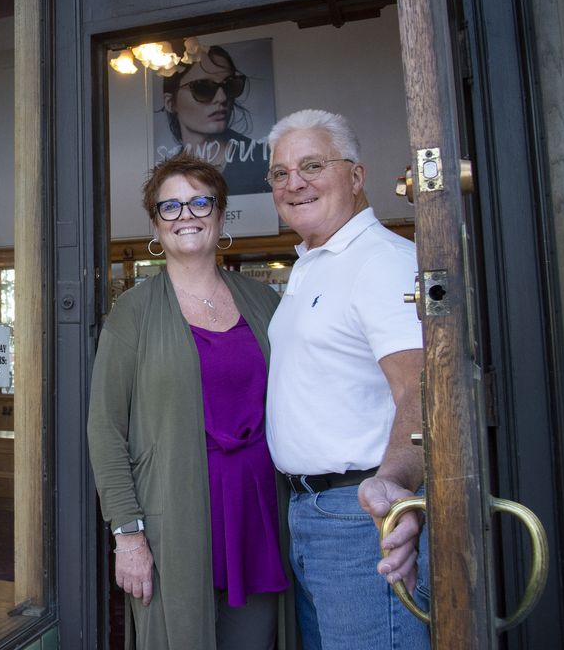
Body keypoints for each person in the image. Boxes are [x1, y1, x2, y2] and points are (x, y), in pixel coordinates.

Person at [88, 153, 289, 648]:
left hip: (259, 515)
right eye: (170, 207)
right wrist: (128, 535)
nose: (187, 216)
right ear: (156, 224)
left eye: (200, 202)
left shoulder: (265, 303)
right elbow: (106, 429)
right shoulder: (133, 312)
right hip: (172, 519)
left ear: (220, 215)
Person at [263, 109, 428, 649]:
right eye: (280, 173)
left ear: (356, 177)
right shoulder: (312, 265)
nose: (295, 183)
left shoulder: (381, 260)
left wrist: (394, 483)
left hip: (362, 517)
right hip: (309, 513)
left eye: (312, 165)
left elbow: (423, 390)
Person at [157, 41, 270, 195]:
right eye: (203, 88)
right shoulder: (165, 174)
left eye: (230, 85)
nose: (222, 98)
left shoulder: (264, 160)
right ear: (171, 103)